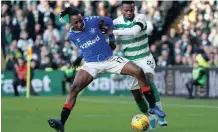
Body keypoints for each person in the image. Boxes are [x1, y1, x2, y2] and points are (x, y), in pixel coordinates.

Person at [48, 7, 165, 132]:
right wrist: (79, 57)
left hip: (109, 59)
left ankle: (152, 106)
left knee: (139, 71)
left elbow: (109, 21)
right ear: (71, 24)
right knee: (73, 89)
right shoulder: (72, 35)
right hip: (91, 64)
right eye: (75, 23)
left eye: (80, 20)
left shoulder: (92, 20)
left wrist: (111, 38)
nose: (80, 24)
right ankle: (61, 123)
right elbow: (85, 45)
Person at [107, 1, 168, 127]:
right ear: (121, 10)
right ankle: (150, 116)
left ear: (134, 9)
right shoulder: (115, 22)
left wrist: (113, 31)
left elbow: (134, 31)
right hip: (130, 61)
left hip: (145, 57)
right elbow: (102, 27)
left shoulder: (141, 18)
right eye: (126, 10)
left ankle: (160, 114)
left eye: (131, 10)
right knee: (137, 95)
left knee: (147, 80)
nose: (129, 13)